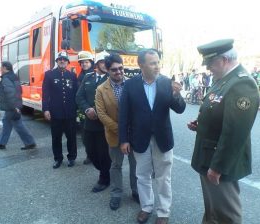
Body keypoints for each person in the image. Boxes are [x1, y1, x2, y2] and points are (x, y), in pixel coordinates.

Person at [188, 39, 260, 224]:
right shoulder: (224, 80)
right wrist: (201, 124)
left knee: (227, 215)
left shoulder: (241, 84)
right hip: (209, 155)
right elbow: (218, 113)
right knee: (212, 209)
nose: (208, 67)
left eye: (211, 63)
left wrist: (217, 167)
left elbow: (235, 132)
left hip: (219, 161)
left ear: (224, 59)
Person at [119, 49, 186, 224]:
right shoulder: (130, 85)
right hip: (139, 138)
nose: (157, 66)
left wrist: (176, 94)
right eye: (152, 63)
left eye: (158, 62)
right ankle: (146, 207)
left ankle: (163, 211)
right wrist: (124, 139)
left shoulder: (166, 83)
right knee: (142, 175)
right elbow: (124, 114)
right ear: (141, 65)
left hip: (162, 138)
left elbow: (180, 109)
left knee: (164, 177)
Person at [95, 53, 139, 211]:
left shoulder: (133, 84)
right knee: (116, 166)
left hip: (134, 134)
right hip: (114, 135)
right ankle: (116, 193)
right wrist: (121, 131)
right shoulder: (101, 89)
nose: (119, 72)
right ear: (107, 70)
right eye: (114, 70)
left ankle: (136, 191)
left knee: (135, 165)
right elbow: (101, 114)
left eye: (121, 68)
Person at [76, 50, 111, 193]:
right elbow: (79, 96)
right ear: (97, 64)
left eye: (106, 63)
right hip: (89, 122)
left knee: (103, 153)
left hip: (103, 123)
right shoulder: (88, 77)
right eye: (103, 62)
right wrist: (87, 109)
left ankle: (104, 178)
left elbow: (112, 99)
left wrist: (96, 110)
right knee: (90, 150)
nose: (105, 65)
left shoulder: (111, 79)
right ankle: (103, 170)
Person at [42, 51, 78, 169]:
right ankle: (58, 158)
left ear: (67, 62)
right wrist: (46, 109)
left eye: (64, 59)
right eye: (60, 59)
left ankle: (72, 157)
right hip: (55, 112)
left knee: (71, 137)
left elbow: (75, 93)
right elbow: (45, 94)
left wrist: (77, 110)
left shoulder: (72, 75)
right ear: (57, 61)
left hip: (70, 112)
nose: (62, 61)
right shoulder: (49, 75)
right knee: (56, 137)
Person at [0, 61, 36, 150]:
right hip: (14, 105)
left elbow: (10, 93)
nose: (0, 69)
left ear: (4, 68)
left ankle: (29, 142)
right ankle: (2, 142)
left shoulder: (7, 78)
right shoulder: (14, 76)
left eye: (1, 67)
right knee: (10, 123)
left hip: (11, 106)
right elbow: (19, 91)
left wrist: (14, 106)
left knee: (16, 124)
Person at [77, 50, 95, 165]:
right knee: (85, 136)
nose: (84, 64)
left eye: (86, 62)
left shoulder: (95, 75)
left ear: (91, 63)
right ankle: (89, 155)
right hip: (83, 112)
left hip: (94, 111)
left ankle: (97, 155)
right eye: (82, 62)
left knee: (97, 136)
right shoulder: (80, 76)